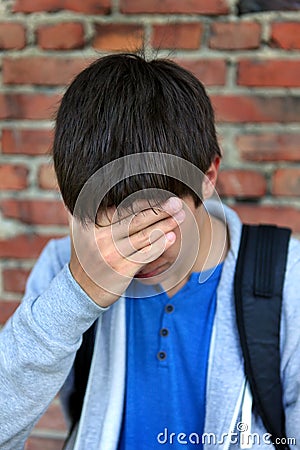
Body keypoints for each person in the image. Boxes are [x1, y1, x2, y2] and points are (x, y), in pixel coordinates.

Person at [0, 53, 299, 450]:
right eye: (110, 222)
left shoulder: (286, 276)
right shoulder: (62, 268)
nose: (138, 249)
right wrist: (76, 295)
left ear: (207, 177)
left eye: (153, 220)